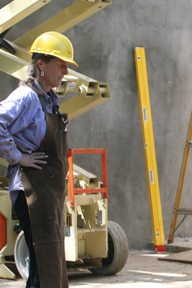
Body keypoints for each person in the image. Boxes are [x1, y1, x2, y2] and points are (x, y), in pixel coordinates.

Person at [0, 31, 78, 288]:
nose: (65, 71)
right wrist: (19, 157)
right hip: (30, 189)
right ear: (41, 65)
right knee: (41, 261)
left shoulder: (49, 99)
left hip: (47, 191)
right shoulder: (26, 97)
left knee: (50, 260)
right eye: (61, 65)